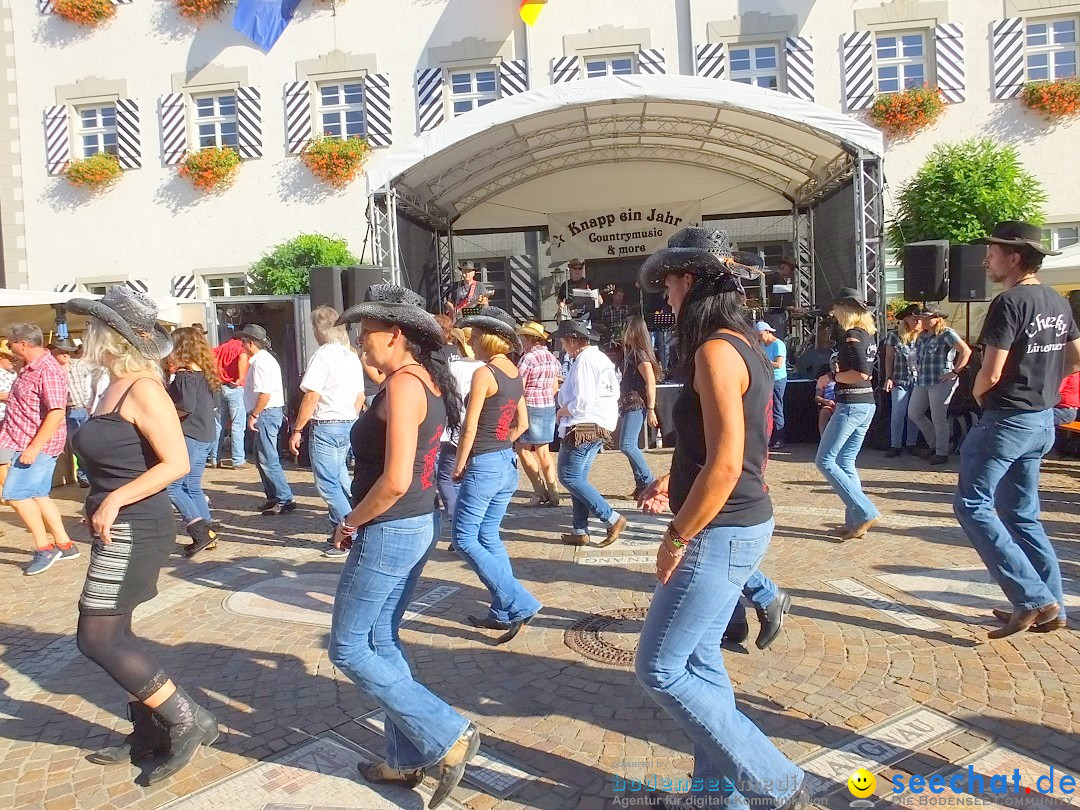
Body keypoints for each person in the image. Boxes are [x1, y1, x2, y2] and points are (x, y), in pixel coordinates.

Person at [633, 227, 806, 810]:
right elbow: (731, 445)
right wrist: (673, 478)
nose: (666, 297)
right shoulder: (746, 341)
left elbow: (728, 461)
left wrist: (677, 533)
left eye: (671, 283)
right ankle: (716, 800)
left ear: (691, 281)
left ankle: (776, 781)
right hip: (742, 522)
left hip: (719, 530)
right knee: (701, 663)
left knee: (660, 667)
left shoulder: (714, 350)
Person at [328, 284, 480, 807]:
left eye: (366, 336)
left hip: (391, 525)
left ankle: (447, 734)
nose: (359, 345)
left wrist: (349, 522)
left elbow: (393, 480)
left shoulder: (405, 387)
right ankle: (403, 758)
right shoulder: (421, 380)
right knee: (382, 642)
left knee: (348, 647)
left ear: (396, 336)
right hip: (415, 523)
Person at [67, 287, 218, 784]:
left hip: (136, 524)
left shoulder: (144, 388)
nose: (84, 335)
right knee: (116, 631)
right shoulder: (113, 385)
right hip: (118, 525)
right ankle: (148, 730)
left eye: (91, 327)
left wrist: (113, 498)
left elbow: (175, 462)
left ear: (110, 336)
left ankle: (186, 719)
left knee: (97, 636)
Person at [954, 221, 1080, 638]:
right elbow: (1076, 358)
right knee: (1021, 515)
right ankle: (1053, 606)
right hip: (1041, 420)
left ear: (1014, 257)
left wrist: (979, 392)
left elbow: (991, 371)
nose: (986, 258)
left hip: (1006, 418)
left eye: (992, 251)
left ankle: (1031, 598)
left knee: (971, 505)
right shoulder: (1057, 302)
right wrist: (1042, 385)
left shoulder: (1009, 302)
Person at [453, 307, 542, 640]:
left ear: (488, 338)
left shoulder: (484, 373)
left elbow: (469, 426)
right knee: (488, 536)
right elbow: (523, 423)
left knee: (464, 539)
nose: (471, 342)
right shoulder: (514, 372)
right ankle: (501, 611)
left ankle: (519, 601)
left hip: (484, 464)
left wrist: (461, 464)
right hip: (506, 463)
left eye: (475, 336)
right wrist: (502, 442)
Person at [0, 323, 78, 575]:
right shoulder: (28, 368)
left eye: (10, 343)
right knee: (37, 495)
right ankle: (65, 544)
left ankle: (45, 548)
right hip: (20, 439)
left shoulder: (48, 370)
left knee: (16, 495)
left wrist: (34, 448)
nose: (8, 347)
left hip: (36, 445)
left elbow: (56, 412)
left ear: (22, 343)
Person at [288, 306, 365, 554]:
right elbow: (360, 395)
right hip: (348, 423)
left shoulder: (323, 356)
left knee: (328, 484)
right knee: (342, 479)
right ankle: (349, 527)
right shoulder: (350, 355)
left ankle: (350, 531)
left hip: (327, 425)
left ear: (320, 330)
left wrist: (298, 428)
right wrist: (351, 418)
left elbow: (312, 395)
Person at [815, 288, 881, 541]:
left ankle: (865, 511)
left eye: (836, 309)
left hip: (852, 404)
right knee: (845, 462)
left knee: (826, 461)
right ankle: (855, 520)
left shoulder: (853, 337)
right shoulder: (867, 334)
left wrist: (829, 377)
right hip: (864, 403)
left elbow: (861, 373)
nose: (833, 314)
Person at [554, 319, 627, 547]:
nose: (563, 346)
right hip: (598, 423)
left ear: (572, 341)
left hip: (584, 424)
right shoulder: (599, 358)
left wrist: (562, 411)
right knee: (578, 479)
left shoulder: (585, 360)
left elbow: (583, 400)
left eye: (564, 342)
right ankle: (579, 529)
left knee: (569, 476)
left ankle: (611, 517)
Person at [164, 327, 221, 558]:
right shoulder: (205, 373)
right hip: (205, 434)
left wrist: (165, 415)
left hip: (191, 435)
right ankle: (208, 532)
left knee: (172, 486)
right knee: (192, 486)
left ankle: (200, 532)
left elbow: (185, 407)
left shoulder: (186, 375)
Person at [238, 324, 295, 515]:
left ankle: (284, 498)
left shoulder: (261, 362)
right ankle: (273, 496)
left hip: (266, 413)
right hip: (267, 413)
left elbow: (265, 394)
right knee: (262, 457)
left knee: (268, 458)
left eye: (243, 342)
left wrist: (254, 415)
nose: (242, 345)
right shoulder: (263, 360)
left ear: (250, 343)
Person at [436, 328, 484, 542]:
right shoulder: (485, 368)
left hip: (456, 429)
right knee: (470, 480)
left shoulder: (453, 367)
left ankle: (458, 525)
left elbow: (443, 397)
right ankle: (471, 525)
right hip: (480, 431)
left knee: (445, 478)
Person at [909, 306, 973, 464]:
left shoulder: (947, 333)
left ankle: (941, 452)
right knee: (914, 413)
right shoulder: (922, 336)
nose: (922, 320)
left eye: (926, 318)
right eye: (921, 318)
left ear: (937, 318)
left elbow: (966, 351)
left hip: (941, 380)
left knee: (939, 418)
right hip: (923, 379)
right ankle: (934, 444)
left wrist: (956, 371)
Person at [514, 321, 561, 507]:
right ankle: (554, 491)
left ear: (529, 339)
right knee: (544, 451)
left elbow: (520, 387)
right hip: (548, 405)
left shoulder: (528, 358)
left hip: (530, 406)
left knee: (523, 449)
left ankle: (539, 491)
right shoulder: (551, 358)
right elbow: (555, 387)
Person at [618, 316, 660, 499]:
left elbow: (651, 382)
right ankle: (641, 485)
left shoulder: (639, 354)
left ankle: (649, 481)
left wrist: (651, 409)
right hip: (630, 403)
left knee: (627, 444)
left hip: (636, 403)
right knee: (628, 444)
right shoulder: (632, 353)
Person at [883, 304, 923, 457]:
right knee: (898, 412)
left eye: (920, 319)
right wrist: (888, 377)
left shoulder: (923, 336)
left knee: (914, 413)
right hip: (899, 378)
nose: (918, 322)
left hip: (919, 380)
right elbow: (889, 358)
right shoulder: (894, 335)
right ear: (906, 319)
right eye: (915, 319)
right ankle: (895, 444)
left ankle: (912, 443)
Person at [51, 338, 92, 487]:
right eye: (61, 351)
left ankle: (88, 474)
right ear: (54, 352)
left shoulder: (80, 364)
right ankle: (83, 475)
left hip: (85, 409)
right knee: (76, 446)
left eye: (67, 351)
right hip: (68, 412)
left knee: (89, 444)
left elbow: (99, 369)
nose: (65, 354)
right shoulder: (51, 370)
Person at [210, 329, 249, 468]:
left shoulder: (222, 348)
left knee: (218, 424)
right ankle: (238, 460)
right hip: (234, 388)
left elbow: (211, 356)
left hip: (220, 387)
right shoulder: (240, 348)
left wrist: (215, 376)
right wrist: (241, 378)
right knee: (238, 425)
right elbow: (243, 357)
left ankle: (214, 458)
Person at [756, 322, 788, 449]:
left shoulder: (778, 344)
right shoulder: (761, 344)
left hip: (778, 380)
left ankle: (779, 438)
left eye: (760, 335)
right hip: (766, 379)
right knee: (767, 408)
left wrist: (763, 361)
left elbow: (779, 364)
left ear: (767, 332)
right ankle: (769, 438)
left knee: (777, 408)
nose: (759, 338)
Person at [557, 258, 602, 325]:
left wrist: (593, 297)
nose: (577, 270)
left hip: (585, 318)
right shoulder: (566, 284)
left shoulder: (589, 283)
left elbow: (600, 300)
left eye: (580, 268)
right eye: (575, 268)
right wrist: (561, 304)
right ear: (570, 269)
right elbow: (559, 299)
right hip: (569, 317)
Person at [0, 338, 18, 498]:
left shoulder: (14, 373)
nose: (13, 360)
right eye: (9, 357)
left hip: (12, 420)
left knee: (10, 458)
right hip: (1, 419)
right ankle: (8, 493)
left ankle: (9, 490)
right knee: (2, 459)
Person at [597, 285, 632, 351]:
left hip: (624, 338)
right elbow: (602, 325)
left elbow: (631, 324)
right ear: (613, 296)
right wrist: (605, 328)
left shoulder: (627, 309)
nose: (620, 298)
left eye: (622, 296)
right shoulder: (606, 310)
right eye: (619, 296)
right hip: (610, 338)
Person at [814, 365, 837, 436]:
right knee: (824, 412)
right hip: (829, 406)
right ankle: (824, 439)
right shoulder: (823, 379)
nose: (835, 364)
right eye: (833, 362)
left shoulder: (848, 377)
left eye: (837, 362)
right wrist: (825, 401)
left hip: (844, 404)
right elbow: (817, 398)